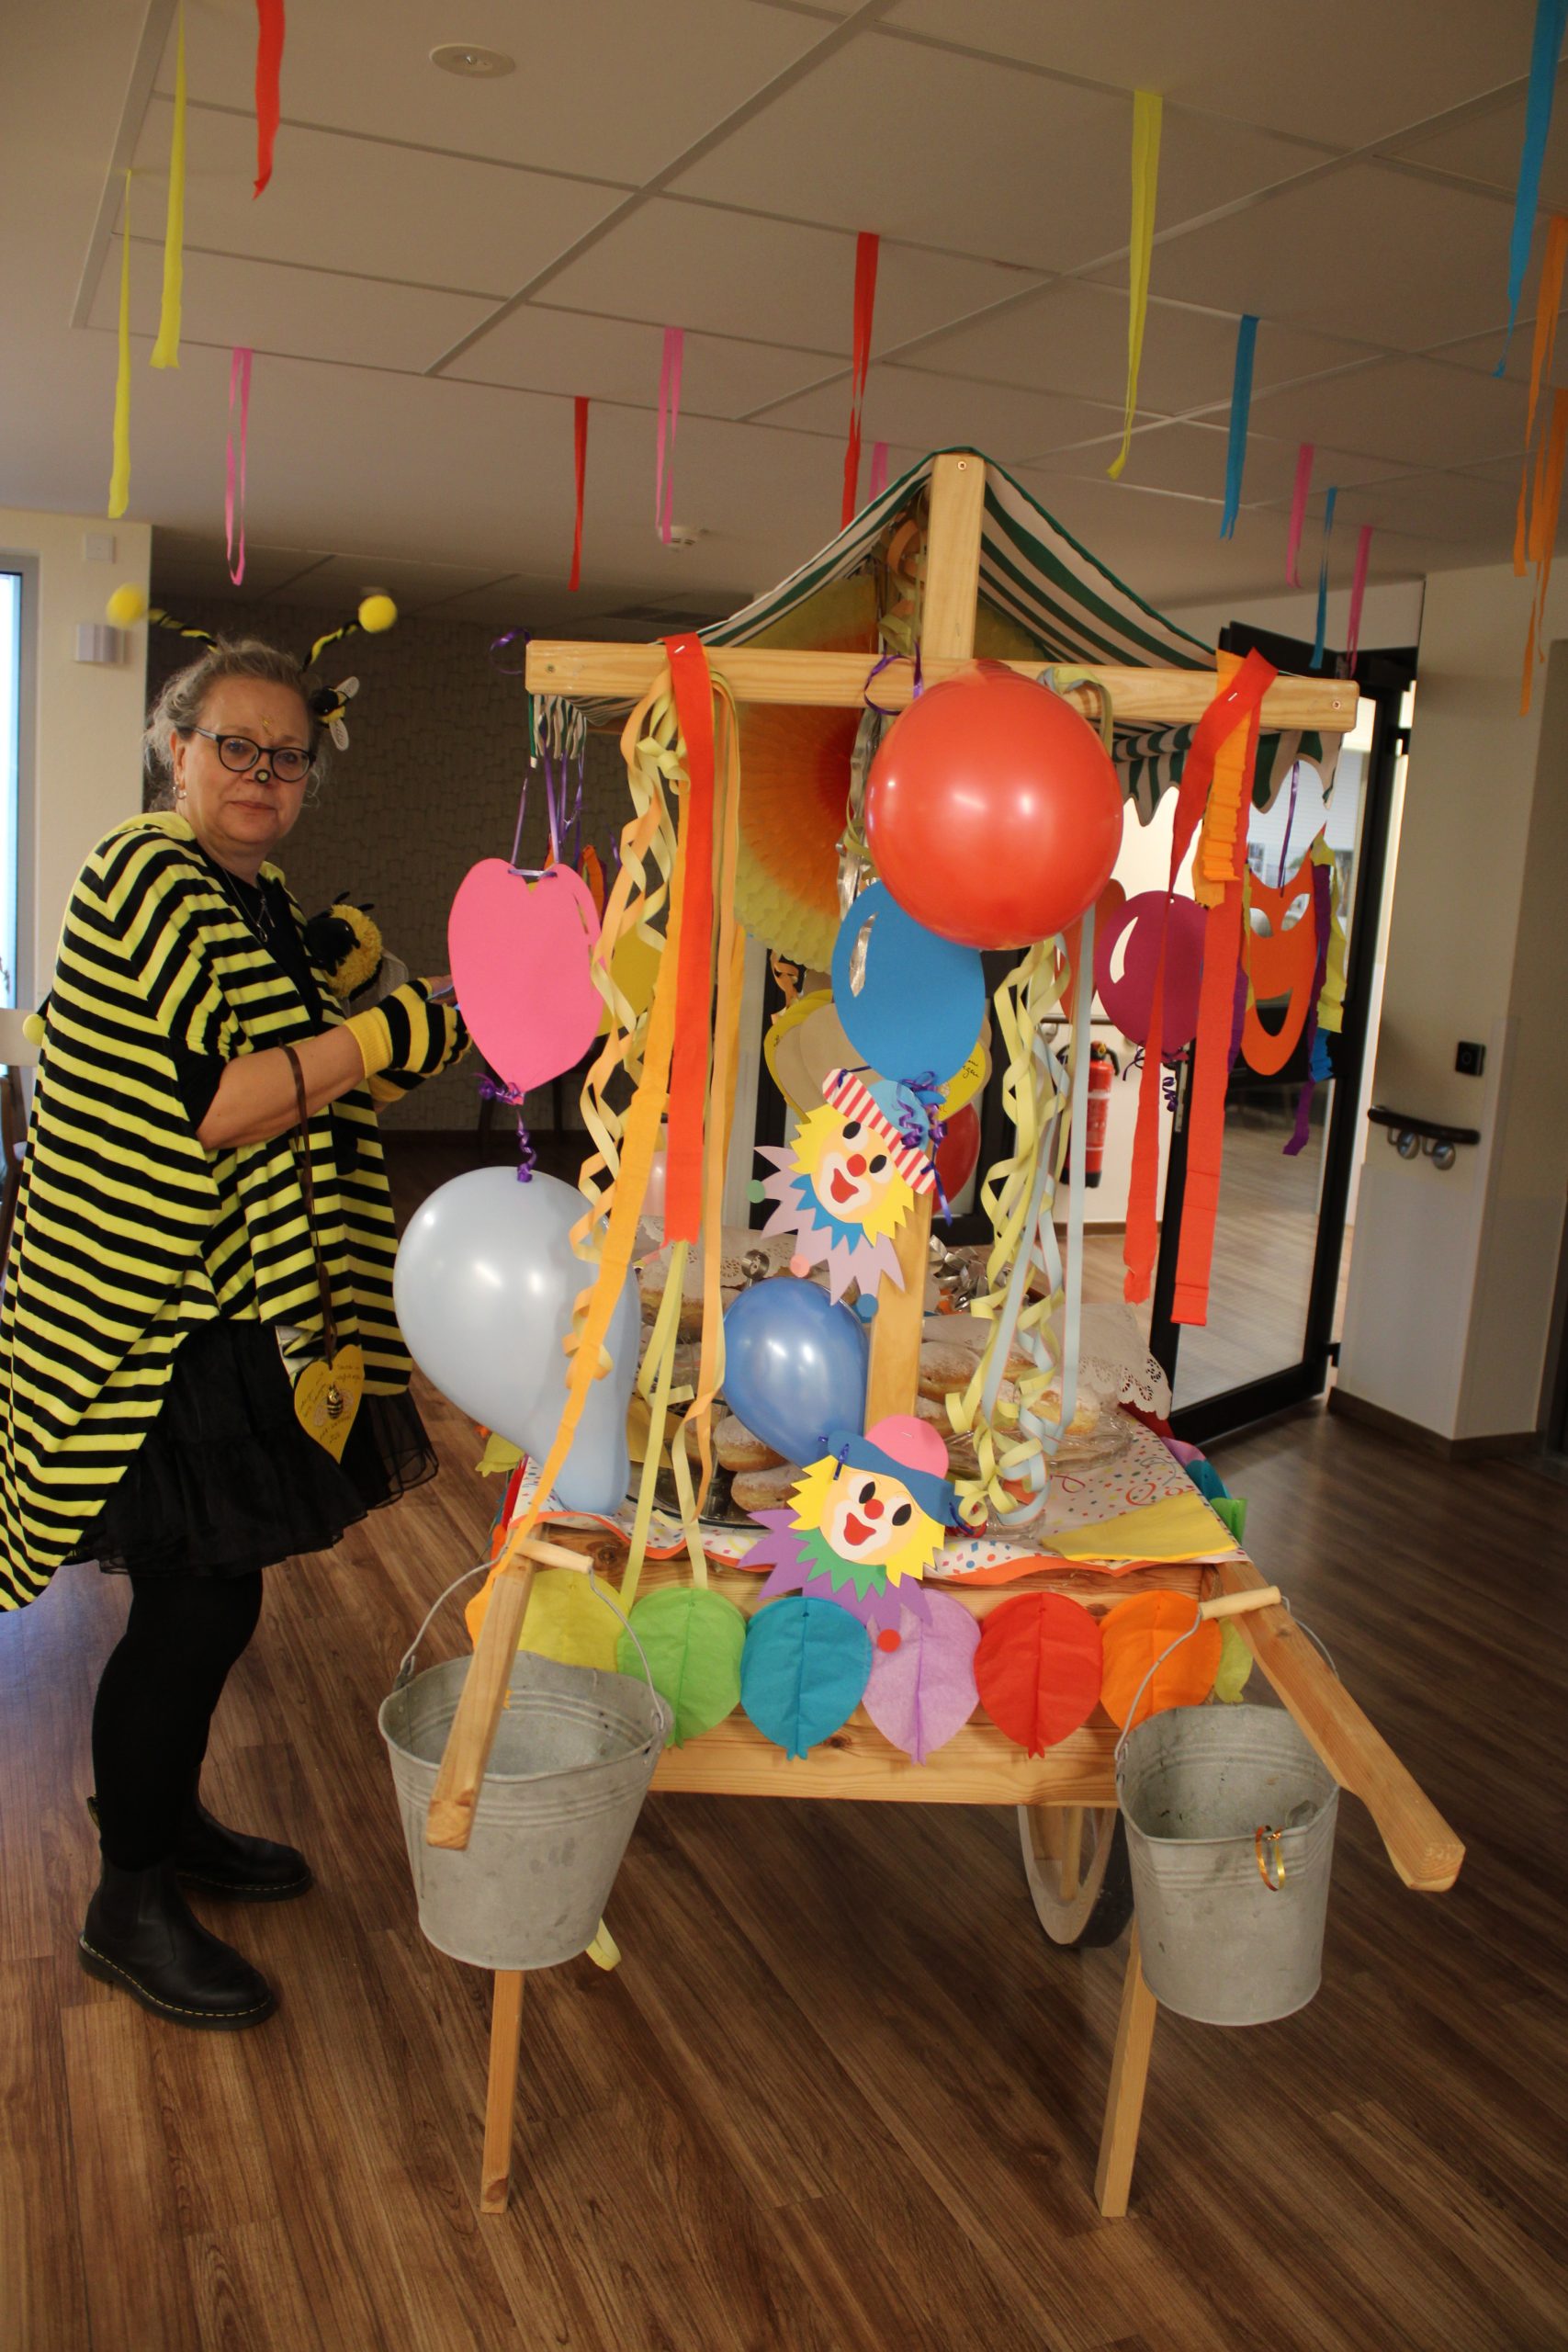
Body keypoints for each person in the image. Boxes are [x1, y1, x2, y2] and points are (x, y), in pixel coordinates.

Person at [0, 635, 468, 2030]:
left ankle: (165, 1823)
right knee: (197, 1603)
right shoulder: (146, 873)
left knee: (208, 1598)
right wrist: (389, 1033)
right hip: (148, 1307)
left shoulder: (251, 902)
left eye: (288, 757)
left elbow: (296, 1072)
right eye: (235, 747)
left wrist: (397, 1021)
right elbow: (222, 1102)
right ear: (177, 750)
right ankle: (126, 1899)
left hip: (227, 1297)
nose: (263, 774)